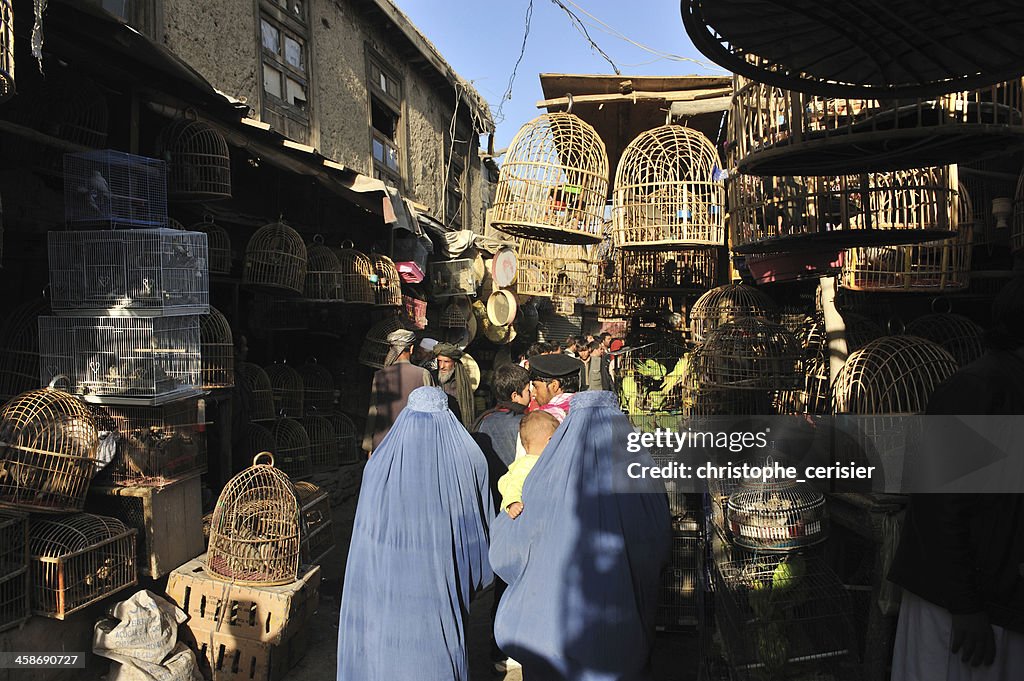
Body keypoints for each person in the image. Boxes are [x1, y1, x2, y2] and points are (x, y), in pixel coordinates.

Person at [888, 276, 1024, 681]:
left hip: (996, 598)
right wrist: (965, 606)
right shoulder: (980, 388)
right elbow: (939, 506)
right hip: (961, 613)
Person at [489, 391, 671, 680]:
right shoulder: (641, 471)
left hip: (550, 635)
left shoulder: (541, 477)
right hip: (620, 635)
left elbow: (508, 553)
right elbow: (660, 545)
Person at [337, 387, 492, 681]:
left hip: (382, 594)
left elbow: (364, 546)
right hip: (440, 595)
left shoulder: (379, 465)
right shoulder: (471, 458)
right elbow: (479, 548)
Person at [470, 364, 533, 673]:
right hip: (515, 511)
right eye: (527, 390)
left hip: (488, 513)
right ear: (515, 395)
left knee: (495, 585)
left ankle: (493, 650)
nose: (531, 393)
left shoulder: (481, 422)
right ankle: (505, 648)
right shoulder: (524, 425)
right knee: (514, 584)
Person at [361, 329, 434, 455]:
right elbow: (433, 412)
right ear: (411, 349)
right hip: (414, 444)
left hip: (383, 443)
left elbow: (373, 411)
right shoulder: (423, 374)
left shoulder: (379, 375)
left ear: (391, 348)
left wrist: (368, 445)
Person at [498, 410, 558, 519]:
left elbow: (503, 481)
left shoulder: (522, 463)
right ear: (550, 441)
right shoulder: (527, 465)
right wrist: (513, 503)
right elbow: (513, 485)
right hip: (517, 517)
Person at [528, 353, 581, 422]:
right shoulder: (590, 408)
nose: (533, 393)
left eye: (536, 387)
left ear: (554, 385)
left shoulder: (544, 418)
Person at [434, 342, 475, 428]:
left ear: (455, 363)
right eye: (439, 361)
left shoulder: (461, 382)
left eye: (446, 362)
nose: (441, 366)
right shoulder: (432, 377)